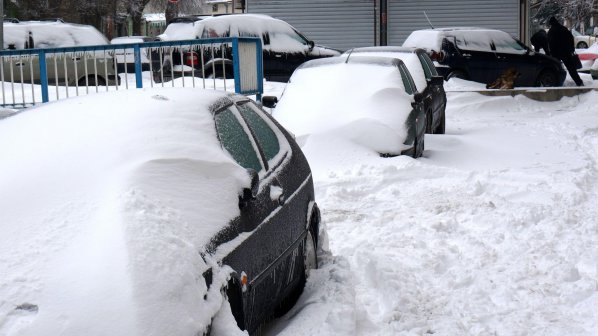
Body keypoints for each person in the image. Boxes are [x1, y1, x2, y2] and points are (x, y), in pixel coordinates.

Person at [547, 16, 584, 86]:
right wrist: (571, 49)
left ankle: (556, 83)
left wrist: (551, 53)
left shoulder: (551, 31)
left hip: (556, 54)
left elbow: (550, 43)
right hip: (566, 53)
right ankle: (579, 82)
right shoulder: (564, 29)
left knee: (556, 68)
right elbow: (571, 38)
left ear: (551, 23)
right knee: (571, 69)